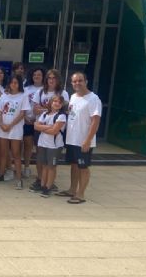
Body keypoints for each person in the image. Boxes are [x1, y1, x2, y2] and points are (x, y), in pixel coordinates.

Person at [58, 72, 102, 204]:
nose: (77, 83)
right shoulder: (73, 97)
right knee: (74, 165)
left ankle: (81, 194)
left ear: (86, 81)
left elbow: (95, 121)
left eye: (80, 81)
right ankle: (72, 190)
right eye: (75, 81)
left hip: (83, 140)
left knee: (83, 167)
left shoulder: (93, 99)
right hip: (72, 139)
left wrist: (88, 140)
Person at [30, 69, 70, 192]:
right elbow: (35, 111)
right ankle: (40, 180)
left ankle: (49, 183)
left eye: (54, 78)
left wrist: (44, 109)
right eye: (49, 78)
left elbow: (65, 111)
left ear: (58, 80)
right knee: (40, 157)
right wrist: (47, 111)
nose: (51, 80)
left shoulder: (63, 93)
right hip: (42, 129)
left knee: (51, 160)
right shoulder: (41, 92)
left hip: (56, 130)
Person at [0, 75, 30, 190]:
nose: (14, 84)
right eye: (12, 82)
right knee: (3, 152)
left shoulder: (23, 96)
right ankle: (1, 174)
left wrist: (10, 125)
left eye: (16, 82)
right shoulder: (4, 95)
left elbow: (22, 114)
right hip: (2, 128)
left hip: (15, 128)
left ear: (19, 84)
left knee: (16, 154)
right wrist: (1, 124)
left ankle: (19, 179)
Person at [34, 95, 67, 198]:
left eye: (59, 102)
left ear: (61, 105)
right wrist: (49, 126)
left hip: (54, 146)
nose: (56, 103)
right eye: (54, 101)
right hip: (43, 143)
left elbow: (54, 131)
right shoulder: (44, 114)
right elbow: (36, 126)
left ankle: (49, 187)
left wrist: (42, 128)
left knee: (51, 167)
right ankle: (43, 185)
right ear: (51, 102)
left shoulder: (61, 116)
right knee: (44, 165)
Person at [23, 67, 45, 179]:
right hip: (27, 120)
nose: (36, 76)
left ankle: (40, 171)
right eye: (34, 74)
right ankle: (26, 167)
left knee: (39, 147)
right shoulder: (26, 88)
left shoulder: (46, 90)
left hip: (41, 123)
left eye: (39, 75)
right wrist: (25, 118)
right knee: (27, 145)